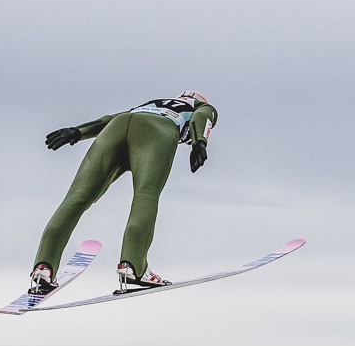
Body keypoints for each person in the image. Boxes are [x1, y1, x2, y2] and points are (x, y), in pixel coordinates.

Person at [29, 91, 218, 294]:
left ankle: (44, 266)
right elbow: (202, 117)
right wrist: (199, 142)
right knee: (146, 194)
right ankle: (133, 266)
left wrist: (78, 131)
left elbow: (110, 119)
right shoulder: (201, 106)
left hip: (118, 126)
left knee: (77, 196)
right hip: (157, 131)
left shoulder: (154, 103)